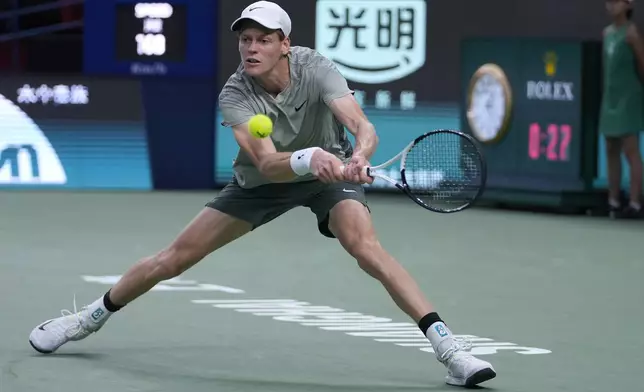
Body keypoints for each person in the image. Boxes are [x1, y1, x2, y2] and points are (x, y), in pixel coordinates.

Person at [28, 1, 496, 388]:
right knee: (172, 259)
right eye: (245, 39)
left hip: (330, 174)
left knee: (366, 247)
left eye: (264, 39)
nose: (251, 48)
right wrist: (311, 156)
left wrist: (359, 155)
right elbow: (270, 164)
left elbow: (361, 126)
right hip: (262, 185)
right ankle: (88, 318)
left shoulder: (317, 68)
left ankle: (448, 347)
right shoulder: (235, 94)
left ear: (284, 44)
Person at [600, 0, 644, 219]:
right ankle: (613, 201)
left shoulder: (632, 33)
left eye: (616, 1)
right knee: (610, 147)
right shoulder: (606, 34)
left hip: (630, 97)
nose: (611, 4)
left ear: (628, 5)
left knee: (630, 148)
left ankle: (635, 203)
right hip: (610, 98)